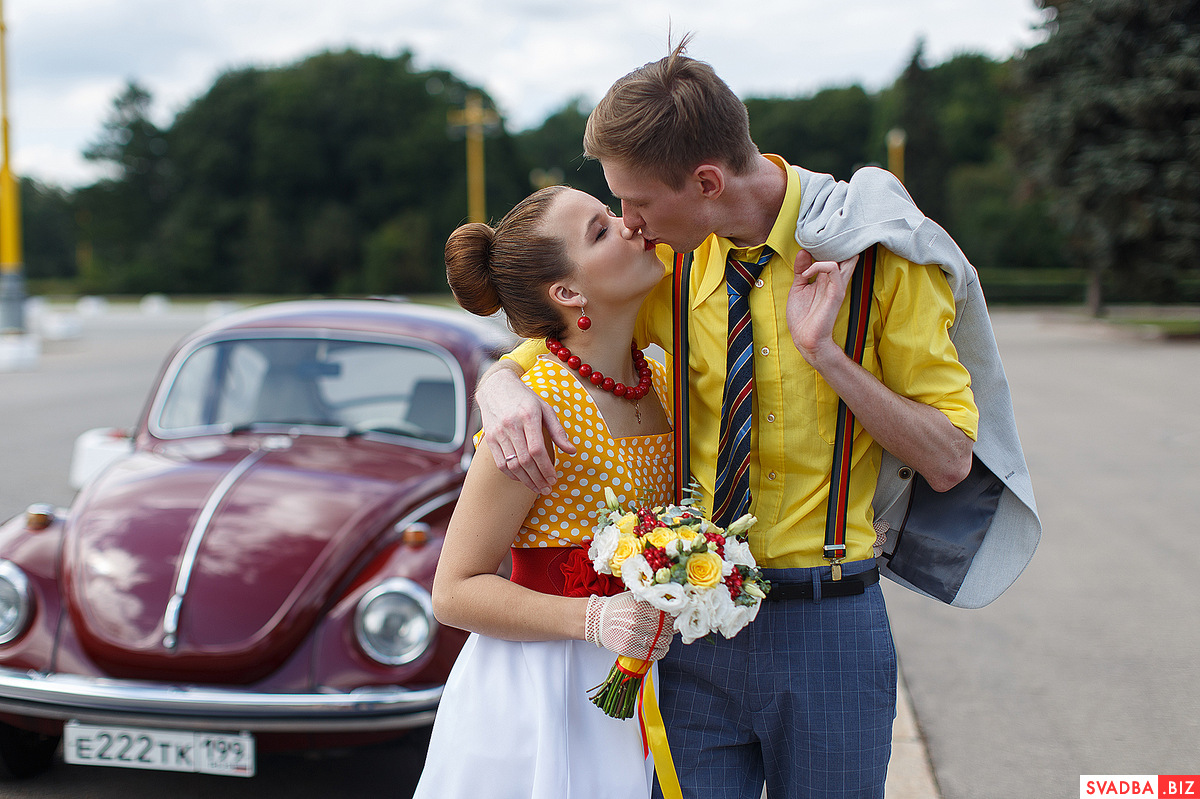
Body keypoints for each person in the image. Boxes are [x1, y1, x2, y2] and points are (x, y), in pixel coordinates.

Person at [473, 38, 986, 799]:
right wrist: (498, 384)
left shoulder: (880, 258)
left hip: (831, 623)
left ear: (707, 181)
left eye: (637, 202)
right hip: (692, 630)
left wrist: (829, 355)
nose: (630, 223)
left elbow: (949, 459)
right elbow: (570, 333)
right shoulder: (668, 266)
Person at [412, 185, 678, 799]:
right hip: (546, 690)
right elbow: (453, 591)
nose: (630, 225)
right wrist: (596, 617)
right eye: (601, 230)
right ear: (567, 293)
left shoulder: (661, 376)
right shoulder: (534, 411)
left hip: (655, 682)